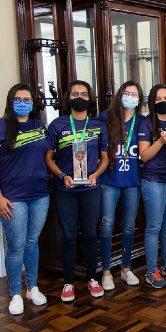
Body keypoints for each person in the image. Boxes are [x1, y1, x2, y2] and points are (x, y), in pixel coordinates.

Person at [0, 83, 49, 315]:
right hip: (11, 198)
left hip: (40, 195)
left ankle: (32, 287)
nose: (23, 103)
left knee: (32, 243)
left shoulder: (40, 126)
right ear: (11, 102)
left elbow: (48, 156)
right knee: (16, 246)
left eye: (27, 99)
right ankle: (15, 293)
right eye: (18, 99)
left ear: (33, 103)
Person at [45, 80, 109, 301]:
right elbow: (48, 158)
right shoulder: (57, 125)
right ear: (68, 98)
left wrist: (95, 175)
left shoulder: (98, 125)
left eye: (83, 94)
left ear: (90, 99)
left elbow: (105, 158)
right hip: (66, 189)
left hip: (90, 187)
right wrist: (62, 176)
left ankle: (92, 278)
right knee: (69, 235)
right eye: (74, 94)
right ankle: (68, 282)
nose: (79, 98)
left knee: (91, 234)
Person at [98, 81, 146, 290]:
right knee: (107, 226)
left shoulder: (142, 121)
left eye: (134, 94)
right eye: (126, 93)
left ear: (139, 99)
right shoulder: (106, 118)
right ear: (119, 95)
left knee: (128, 226)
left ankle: (126, 268)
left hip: (133, 180)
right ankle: (106, 272)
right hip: (109, 180)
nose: (130, 97)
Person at [138, 84, 166, 289]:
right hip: (153, 180)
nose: (163, 102)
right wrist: (160, 141)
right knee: (154, 227)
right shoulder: (146, 124)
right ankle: (151, 271)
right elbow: (144, 156)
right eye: (158, 99)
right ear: (152, 102)